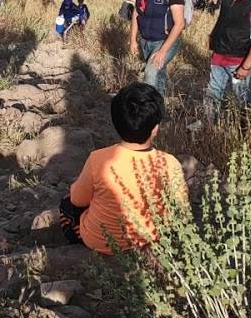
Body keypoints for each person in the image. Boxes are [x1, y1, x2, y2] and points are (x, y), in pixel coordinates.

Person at [59, 83, 187, 255]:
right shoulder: (171, 164)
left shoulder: (98, 159)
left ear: (115, 122)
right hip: (149, 241)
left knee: (66, 205)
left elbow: (77, 200)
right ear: (155, 129)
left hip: (99, 240)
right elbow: (181, 212)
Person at [129, 0, 192, 98]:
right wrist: (132, 39)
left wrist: (163, 51)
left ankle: (148, 110)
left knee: (150, 73)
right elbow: (137, 12)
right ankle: (161, 106)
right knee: (159, 73)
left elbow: (179, 23)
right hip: (146, 40)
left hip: (166, 41)